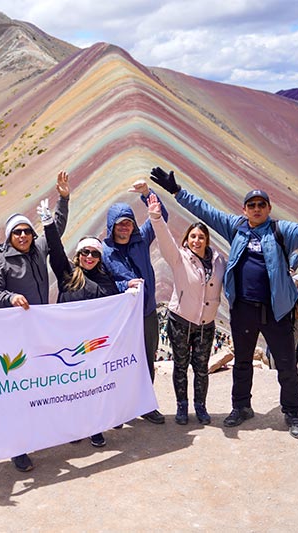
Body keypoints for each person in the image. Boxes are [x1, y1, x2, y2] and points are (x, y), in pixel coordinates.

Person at [150, 166, 298, 439]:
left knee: (286, 365)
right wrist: (177, 191)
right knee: (241, 362)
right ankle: (241, 407)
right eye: (251, 205)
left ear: (269, 208)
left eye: (261, 204)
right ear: (244, 210)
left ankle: (291, 413)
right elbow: (205, 211)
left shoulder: (281, 231)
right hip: (243, 310)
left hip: (276, 312)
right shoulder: (236, 228)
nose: (256, 209)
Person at [0, 171, 70, 472]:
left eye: (27, 231)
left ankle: (41, 433)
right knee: (19, 389)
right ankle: (18, 447)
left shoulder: (38, 251)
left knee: (40, 385)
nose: (23, 236)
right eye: (17, 232)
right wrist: (10, 298)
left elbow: (55, 230)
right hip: (14, 337)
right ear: (9, 236)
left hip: (38, 332)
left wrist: (63, 199)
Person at [39, 198, 118, 446]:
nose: (90, 257)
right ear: (79, 254)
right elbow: (56, 249)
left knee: (92, 388)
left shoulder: (106, 282)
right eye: (85, 252)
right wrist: (49, 224)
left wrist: (132, 293)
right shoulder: (67, 275)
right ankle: (73, 428)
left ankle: (95, 427)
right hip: (66, 343)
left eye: (95, 253)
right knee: (69, 388)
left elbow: (116, 309)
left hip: (92, 346)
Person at [150, 195, 224, 425]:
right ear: (187, 239)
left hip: (206, 325)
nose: (196, 240)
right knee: (181, 366)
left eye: (201, 237)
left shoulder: (219, 260)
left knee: (201, 368)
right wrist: (156, 217)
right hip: (180, 321)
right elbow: (165, 240)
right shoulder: (179, 257)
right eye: (193, 236)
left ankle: (200, 406)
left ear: (207, 240)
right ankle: (182, 406)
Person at [102, 180, 170, 425]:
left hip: (147, 313)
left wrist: (147, 194)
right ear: (112, 226)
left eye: (129, 223)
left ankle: (145, 405)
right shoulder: (104, 252)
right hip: (121, 320)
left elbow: (162, 217)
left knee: (146, 360)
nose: (125, 228)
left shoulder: (141, 239)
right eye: (120, 224)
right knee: (120, 363)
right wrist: (124, 286)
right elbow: (104, 285)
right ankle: (120, 410)